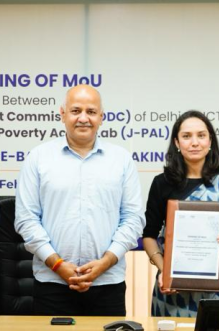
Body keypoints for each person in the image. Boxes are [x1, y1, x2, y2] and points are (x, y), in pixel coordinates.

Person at [14, 85, 145, 316]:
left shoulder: (122, 160)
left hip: (108, 283)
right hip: (52, 283)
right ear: (62, 114)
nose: (83, 118)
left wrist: (105, 262)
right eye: (75, 111)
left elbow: (133, 219)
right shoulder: (38, 158)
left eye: (91, 112)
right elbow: (26, 219)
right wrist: (58, 265)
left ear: (101, 117)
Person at [142, 110, 219, 317]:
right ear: (177, 142)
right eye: (186, 136)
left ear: (210, 140)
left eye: (201, 135)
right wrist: (164, 271)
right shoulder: (162, 182)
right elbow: (149, 236)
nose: (194, 142)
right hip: (172, 296)